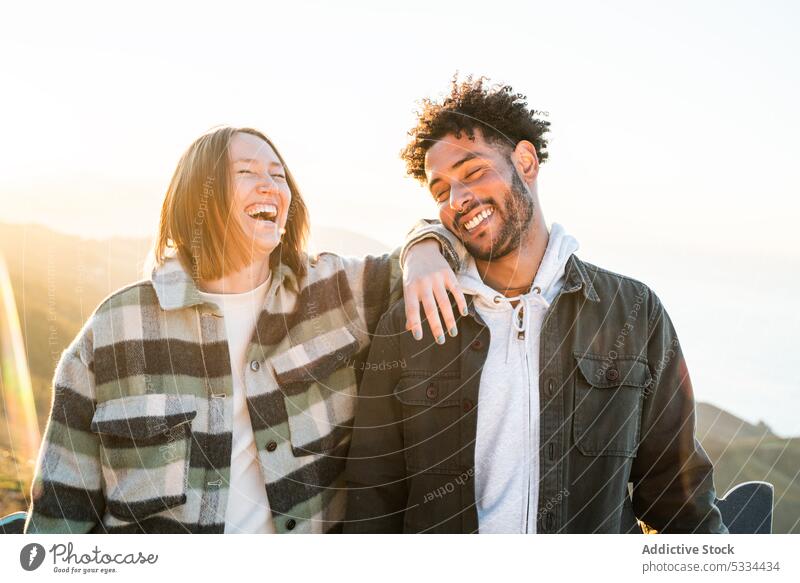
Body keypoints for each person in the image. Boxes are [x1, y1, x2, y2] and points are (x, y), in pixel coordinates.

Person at [24, 126, 465, 534]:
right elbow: (60, 512)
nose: (271, 185)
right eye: (247, 172)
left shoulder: (336, 293)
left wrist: (423, 249)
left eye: (278, 174)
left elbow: (449, 240)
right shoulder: (115, 329)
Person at [344, 77, 728, 534]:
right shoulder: (412, 324)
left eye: (472, 173)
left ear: (525, 162)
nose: (457, 199)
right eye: (441, 190)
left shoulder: (633, 313)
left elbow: (678, 498)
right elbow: (373, 504)